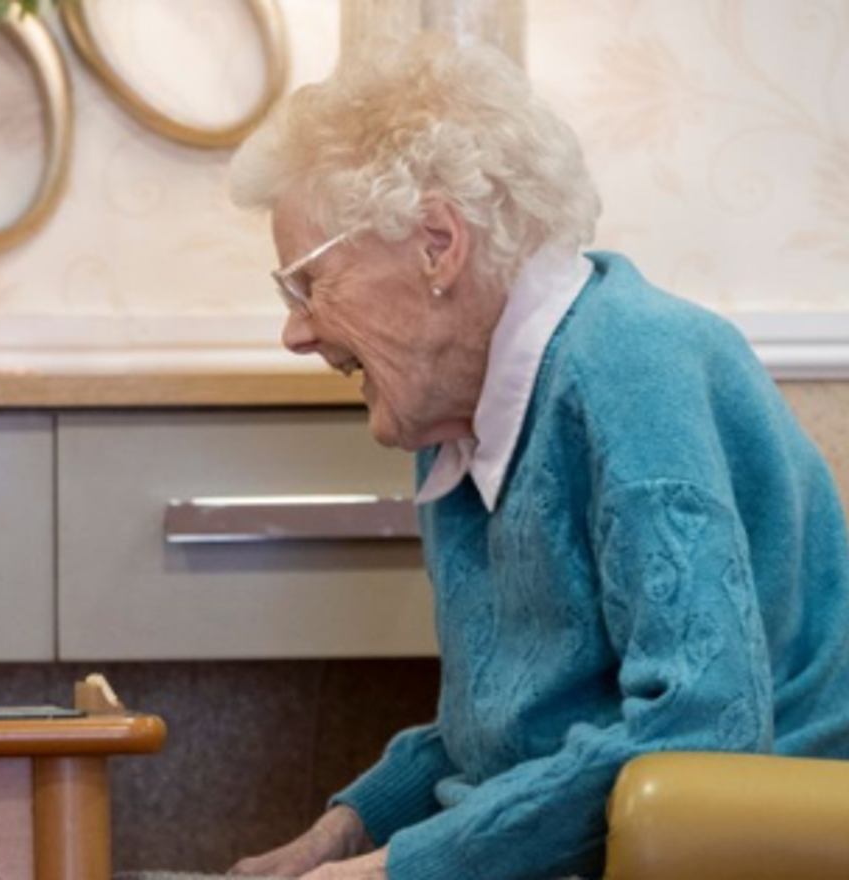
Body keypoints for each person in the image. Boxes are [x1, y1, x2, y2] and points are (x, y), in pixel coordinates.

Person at [223, 34, 849, 880]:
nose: (295, 331)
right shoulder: (458, 417)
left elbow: (704, 733)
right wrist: (339, 836)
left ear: (438, 243)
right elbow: (509, 728)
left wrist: (394, 870)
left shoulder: (631, 364)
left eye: (305, 283)